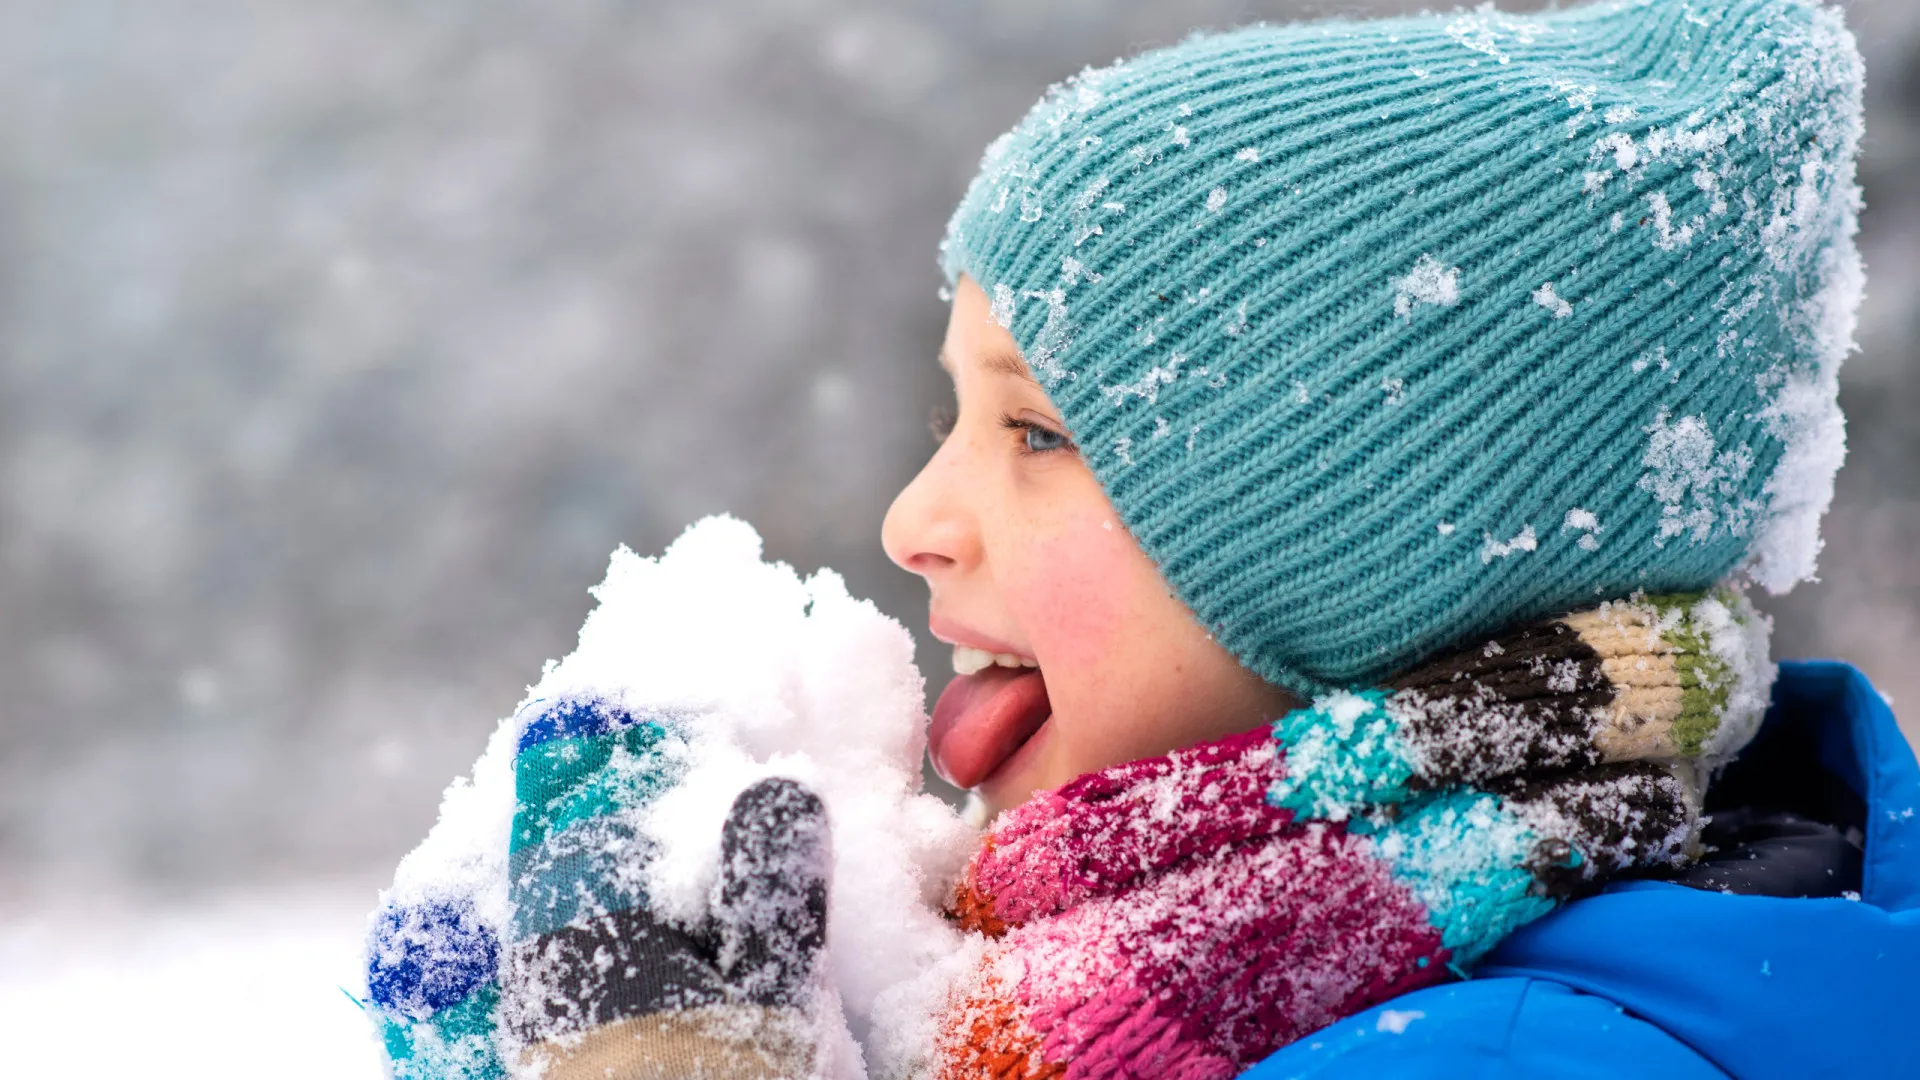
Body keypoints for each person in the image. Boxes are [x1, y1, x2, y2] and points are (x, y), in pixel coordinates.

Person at [366, 1, 1918, 1076]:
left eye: (1036, 434)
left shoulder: (1499, 1058)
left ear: (1372, 552)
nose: (917, 522)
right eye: (953, 420)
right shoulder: (1250, 992)